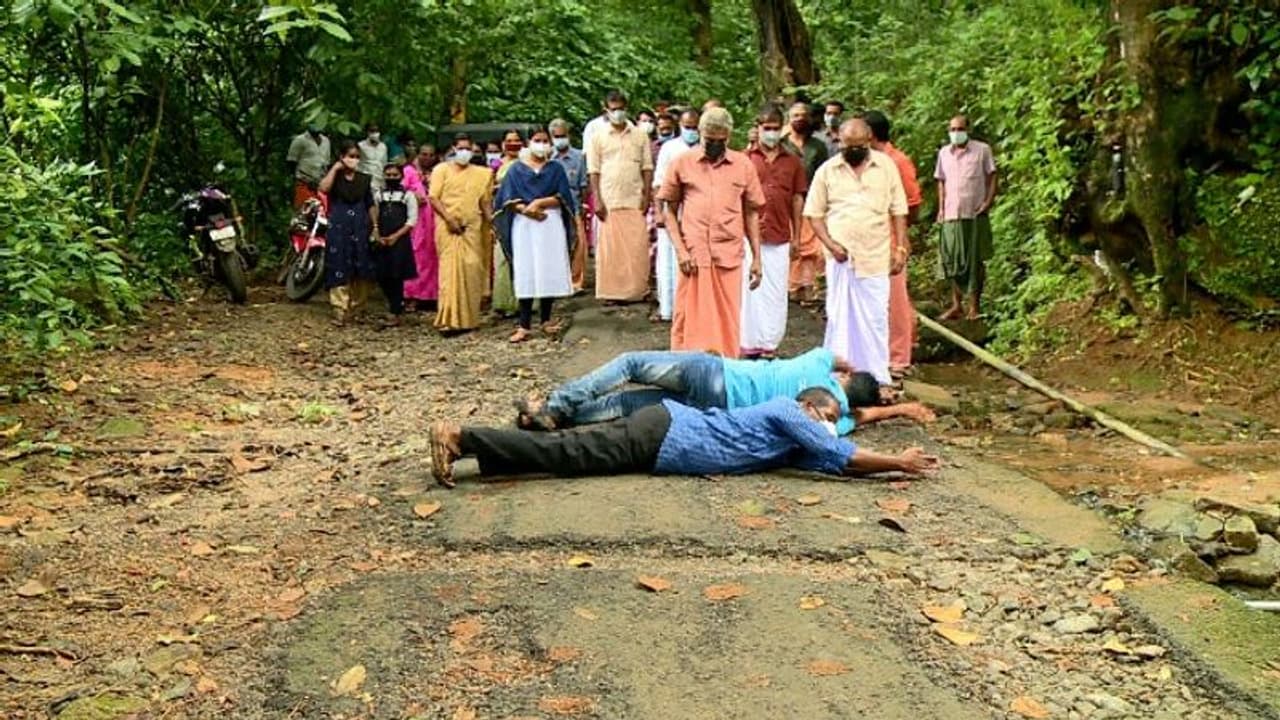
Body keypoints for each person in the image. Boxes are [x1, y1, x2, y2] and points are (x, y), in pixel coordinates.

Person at [430, 387, 940, 488]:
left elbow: (835, 463)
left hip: (666, 433)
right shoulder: (788, 411)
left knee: (568, 455)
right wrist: (899, 459)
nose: (827, 425)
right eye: (825, 416)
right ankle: (462, 437)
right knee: (570, 453)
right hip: (667, 434)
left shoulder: (794, 437)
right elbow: (835, 449)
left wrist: (892, 464)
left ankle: (481, 455)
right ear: (810, 408)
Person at [517, 346, 936, 436]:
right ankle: (555, 421)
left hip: (715, 374)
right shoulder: (835, 418)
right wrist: (899, 408)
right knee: (629, 404)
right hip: (719, 410)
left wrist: (861, 373)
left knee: (628, 365)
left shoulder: (819, 364)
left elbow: (839, 358)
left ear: (845, 379)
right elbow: (862, 416)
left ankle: (557, 405)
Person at [805, 119, 908, 386]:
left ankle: (876, 376)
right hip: (841, 260)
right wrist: (830, 244)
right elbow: (814, 215)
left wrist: (900, 246)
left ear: (869, 140)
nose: (854, 151)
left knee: (875, 319)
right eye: (848, 146)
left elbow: (898, 210)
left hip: (875, 257)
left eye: (859, 146)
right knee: (840, 317)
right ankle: (841, 373)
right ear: (839, 142)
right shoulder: (827, 171)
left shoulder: (885, 166)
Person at [659, 107, 765, 358]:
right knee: (690, 319)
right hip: (694, 258)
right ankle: (686, 373)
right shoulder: (682, 163)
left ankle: (724, 374)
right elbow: (669, 211)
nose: (714, 145)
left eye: (720, 141)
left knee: (727, 321)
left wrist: (758, 258)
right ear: (700, 134)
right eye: (709, 140)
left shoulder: (743, 165)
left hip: (728, 255)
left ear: (728, 137)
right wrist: (682, 251)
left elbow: (751, 212)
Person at [493, 127, 577, 343]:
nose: (541, 144)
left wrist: (540, 202)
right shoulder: (516, 170)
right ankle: (524, 324)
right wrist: (526, 210)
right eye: (537, 140)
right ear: (529, 142)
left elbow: (564, 197)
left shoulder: (555, 168)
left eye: (544, 140)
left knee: (547, 268)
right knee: (526, 269)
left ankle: (546, 320)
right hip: (524, 224)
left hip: (550, 222)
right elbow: (506, 200)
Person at [742, 105, 808, 359]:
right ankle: (748, 343)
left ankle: (769, 344)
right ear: (757, 128)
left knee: (775, 292)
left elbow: (797, 199)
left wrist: (798, 236)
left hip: (780, 235)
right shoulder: (744, 159)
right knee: (749, 292)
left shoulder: (793, 162)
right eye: (766, 128)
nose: (770, 133)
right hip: (749, 236)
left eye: (775, 128)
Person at [861, 110, 923, 377]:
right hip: (869, 237)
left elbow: (913, 204)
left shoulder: (898, 162)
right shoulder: (867, 162)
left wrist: (901, 235)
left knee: (896, 298)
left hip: (892, 237)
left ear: (871, 135)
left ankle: (899, 357)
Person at [587, 90, 654, 303]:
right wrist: (597, 198)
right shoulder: (597, 137)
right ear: (606, 110)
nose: (618, 113)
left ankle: (637, 290)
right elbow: (593, 170)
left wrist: (647, 195)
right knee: (611, 250)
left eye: (621, 108)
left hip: (634, 198)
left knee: (636, 247)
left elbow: (647, 167)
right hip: (609, 200)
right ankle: (611, 292)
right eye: (614, 109)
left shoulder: (640, 135)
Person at [430, 133, 495, 333]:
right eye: (461, 148)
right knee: (450, 274)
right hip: (448, 228)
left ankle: (469, 319)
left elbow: (484, 203)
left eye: (469, 148)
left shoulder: (483, 174)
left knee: (472, 268)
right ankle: (449, 319)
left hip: (472, 228)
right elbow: (433, 197)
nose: (465, 152)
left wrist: (493, 223)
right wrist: (449, 219)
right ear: (453, 149)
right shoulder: (441, 170)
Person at [935, 114, 998, 320]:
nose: (956, 133)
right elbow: (941, 181)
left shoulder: (982, 150)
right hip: (951, 214)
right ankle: (956, 305)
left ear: (967, 130)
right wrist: (941, 208)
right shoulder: (944, 153)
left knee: (975, 259)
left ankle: (974, 306)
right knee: (951, 259)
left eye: (959, 129)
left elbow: (992, 175)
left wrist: (988, 201)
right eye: (952, 129)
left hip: (974, 213)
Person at [318, 141, 378, 325]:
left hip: (360, 225)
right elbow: (323, 189)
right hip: (339, 226)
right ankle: (339, 308)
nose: (354, 160)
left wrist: (375, 226)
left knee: (363, 264)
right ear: (342, 157)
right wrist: (336, 169)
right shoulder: (334, 178)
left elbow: (370, 204)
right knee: (338, 263)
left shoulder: (364, 179)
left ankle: (358, 307)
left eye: (357, 157)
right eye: (350, 156)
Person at [651, 109, 701, 322]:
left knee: (694, 259)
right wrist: (659, 212)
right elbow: (658, 182)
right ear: (680, 126)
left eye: (694, 127)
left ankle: (692, 308)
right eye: (687, 127)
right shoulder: (670, 148)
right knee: (668, 261)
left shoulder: (705, 149)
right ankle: (668, 309)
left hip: (695, 212)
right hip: (671, 209)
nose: (691, 131)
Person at [782, 102, 830, 302]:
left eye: (803, 115)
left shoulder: (818, 146)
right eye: (795, 115)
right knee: (791, 244)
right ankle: (790, 286)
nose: (800, 119)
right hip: (786, 202)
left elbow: (824, 174)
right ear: (789, 119)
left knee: (812, 247)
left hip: (812, 201)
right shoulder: (781, 144)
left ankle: (809, 285)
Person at [371, 163, 419, 325]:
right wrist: (376, 231)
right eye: (388, 175)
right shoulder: (379, 194)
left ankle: (395, 310)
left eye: (394, 175)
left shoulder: (408, 195)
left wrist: (396, 236)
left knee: (396, 275)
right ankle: (393, 304)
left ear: (401, 176)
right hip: (382, 238)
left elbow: (412, 220)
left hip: (400, 240)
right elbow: (374, 213)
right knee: (381, 274)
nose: (391, 178)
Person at [549, 118, 590, 294]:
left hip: (573, 206)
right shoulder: (547, 157)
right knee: (555, 246)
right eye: (556, 136)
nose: (560, 139)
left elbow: (584, 186)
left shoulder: (579, 157)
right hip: (551, 208)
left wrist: (580, 204)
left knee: (578, 244)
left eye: (563, 135)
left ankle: (576, 282)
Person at [491, 129, 526, 318]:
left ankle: (524, 301)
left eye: (517, 140)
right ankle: (504, 302)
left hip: (524, 214)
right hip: (502, 214)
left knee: (522, 257)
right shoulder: (496, 165)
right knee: (503, 258)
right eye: (509, 141)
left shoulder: (528, 162)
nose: (513, 144)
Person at [403, 144, 440, 310]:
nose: (427, 158)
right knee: (416, 256)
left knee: (433, 258)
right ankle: (411, 296)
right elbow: (400, 189)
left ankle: (432, 296)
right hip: (416, 222)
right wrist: (412, 196)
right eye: (424, 154)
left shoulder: (440, 171)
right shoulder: (409, 171)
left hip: (435, 220)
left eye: (431, 155)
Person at [286, 122, 331, 209]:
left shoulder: (326, 141)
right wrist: (299, 178)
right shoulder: (299, 140)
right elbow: (291, 161)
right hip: (304, 183)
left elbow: (327, 163)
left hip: (321, 184)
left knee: (321, 213)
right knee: (303, 212)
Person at [357, 123, 388, 190]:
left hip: (380, 180)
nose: (374, 133)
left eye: (376, 131)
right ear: (367, 132)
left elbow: (384, 163)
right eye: (372, 131)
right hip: (365, 179)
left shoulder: (383, 146)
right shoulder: (360, 146)